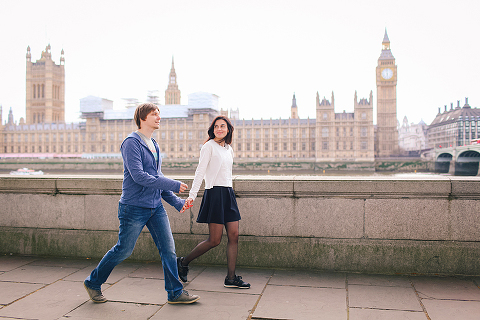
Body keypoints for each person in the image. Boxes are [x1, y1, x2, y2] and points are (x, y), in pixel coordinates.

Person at [84, 103, 199, 304]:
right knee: (124, 250)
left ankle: (175, 293)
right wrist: (173, 184)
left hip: (155, 207)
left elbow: (156, 177)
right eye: (154, 114)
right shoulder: (131, 143)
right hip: (134, 207)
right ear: (142, 118)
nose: (158, 117)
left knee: (168, 250)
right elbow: (140, 177)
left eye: (159, 114)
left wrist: (177, 202)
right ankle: (93, 282)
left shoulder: (154, 145)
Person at [177, 115, 250, 289]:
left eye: (222, 126)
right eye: (216, 126)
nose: (219, 129)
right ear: (212, 129)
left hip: (228, 193)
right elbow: (200, 172)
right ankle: (183, 262)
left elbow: (226, 173)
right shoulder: (208, 147)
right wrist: (192, 196)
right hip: (215, 194)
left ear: (228, 129)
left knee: (234, 235)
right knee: (214, 240)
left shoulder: (228, 149)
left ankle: (231, 278)